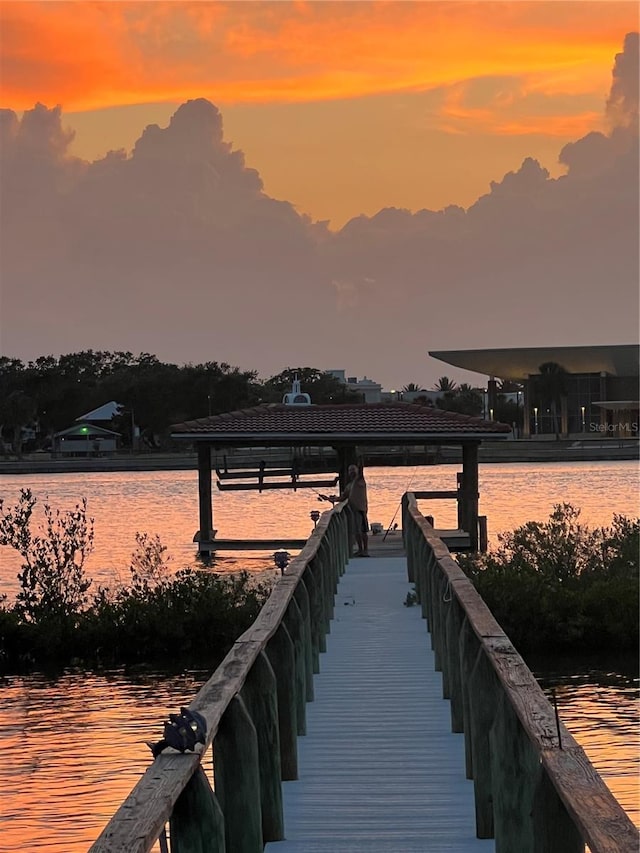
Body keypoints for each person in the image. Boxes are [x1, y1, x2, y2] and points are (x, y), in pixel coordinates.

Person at [332, 463, 369, 556]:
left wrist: (361, 461)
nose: (352, 472)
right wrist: (331, 499)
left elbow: (361, 470)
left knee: (363, 531)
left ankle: (366, 550)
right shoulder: (349, 485)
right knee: (356, 531)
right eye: (350, 470)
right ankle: (360, 550)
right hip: (353, 510)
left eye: (353, 469)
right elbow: (343, 498)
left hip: (361, 509)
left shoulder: (360, 480)